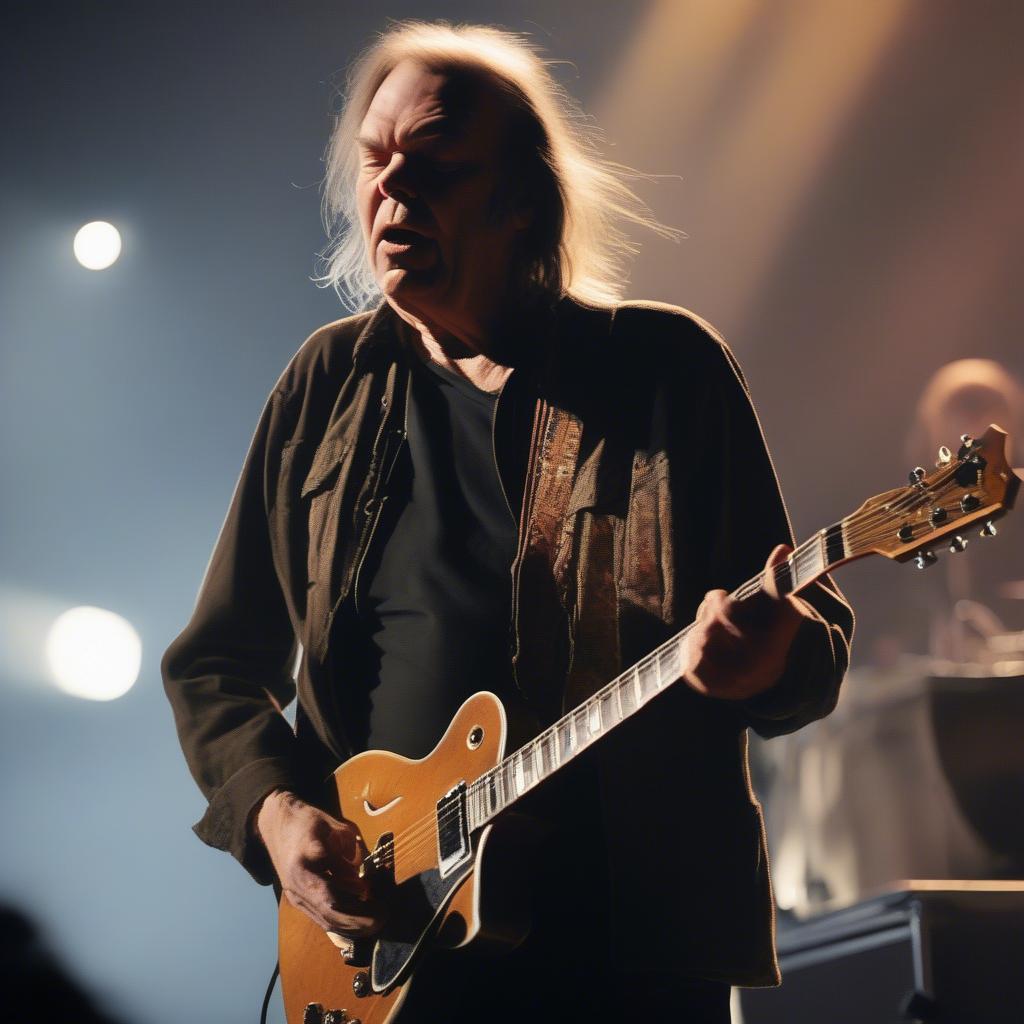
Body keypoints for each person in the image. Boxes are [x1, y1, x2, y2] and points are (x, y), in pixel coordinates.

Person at [162, 21, 854, 1023]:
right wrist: (273, 814)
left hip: (625, 958)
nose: (391, 192)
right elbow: (214, 663)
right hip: (390, 958)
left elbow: (808, 645)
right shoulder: (328, 385)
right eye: (374, 160)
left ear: (522, 204)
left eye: (435, 164)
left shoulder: (663, 373)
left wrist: (772, 660)